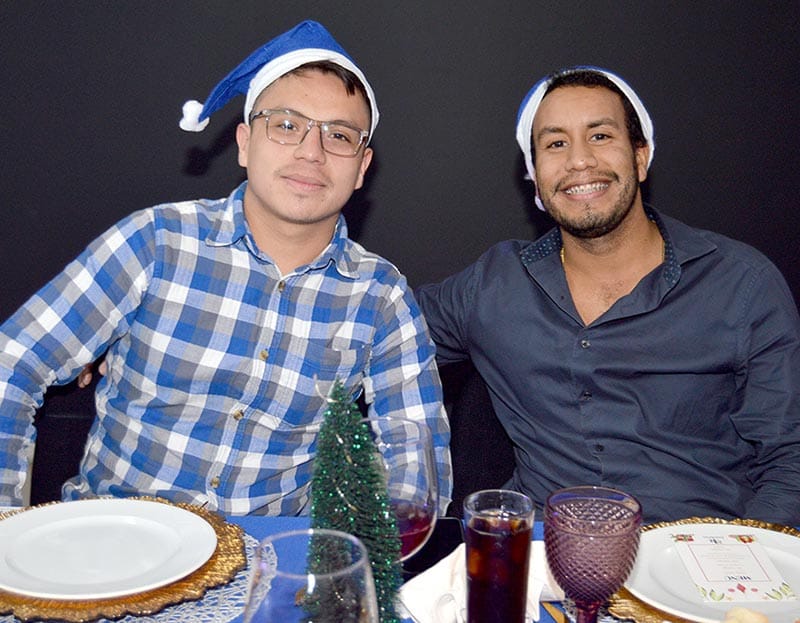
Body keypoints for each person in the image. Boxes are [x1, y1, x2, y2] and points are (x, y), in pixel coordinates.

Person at [0, 20, 452, 515]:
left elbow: (416, 452)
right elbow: (13, 364)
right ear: (244, 142)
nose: (311, 151)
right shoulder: (156, 241)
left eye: (339, 135)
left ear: (361, 167)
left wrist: (378, 543)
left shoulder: (380, 296)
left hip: (271, 555)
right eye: (286, 125)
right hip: (115, 540)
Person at [416, 65, 800, 525]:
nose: (579, 161)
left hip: (693, 550)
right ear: (534, 175)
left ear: (641, 156)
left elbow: (790, 460)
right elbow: (378, 331)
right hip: (540, 552)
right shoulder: (494, 284)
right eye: (555, 144)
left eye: (600, 136)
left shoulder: (742, 285)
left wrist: (747, 558)